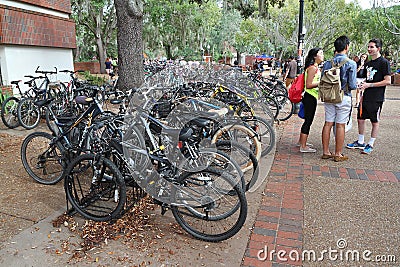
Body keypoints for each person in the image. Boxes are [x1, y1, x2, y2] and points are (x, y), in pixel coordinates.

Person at [346, 38, 391, 154]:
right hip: (365, 96)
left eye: (372, 47)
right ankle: (360, 142)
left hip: (376, 97)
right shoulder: (368, 64)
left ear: (378, 48)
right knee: (360, 119)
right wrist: (361, 85)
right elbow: (366, 78)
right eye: (369, 47)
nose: (369, 49)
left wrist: (369, 85)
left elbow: (387, 81)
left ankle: (370, 144)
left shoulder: (384, 63)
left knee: (374, 121)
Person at [321, 35, 357, 162]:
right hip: (343, 96)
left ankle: (326, 152)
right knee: (340, 125)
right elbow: (352, 85)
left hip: (329, 97)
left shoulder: (327, 63)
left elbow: (322, 81)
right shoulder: (351, 64)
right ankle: (338, 154)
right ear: (347, 47)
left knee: (328, 123)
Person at [297, 48, 324, 153]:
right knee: (308, 121)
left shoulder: (315, 68)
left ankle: (302, 141)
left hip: (311, 96)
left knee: (307, 120)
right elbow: (308, 85)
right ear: (314, 56)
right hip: (310, 96)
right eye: (320, 53)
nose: (322, 55)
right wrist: (321, 83)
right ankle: (303, 146)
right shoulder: (312, 68)